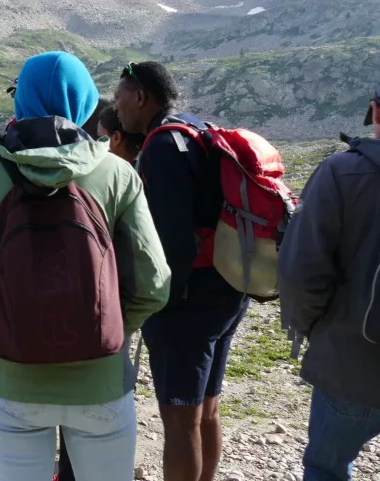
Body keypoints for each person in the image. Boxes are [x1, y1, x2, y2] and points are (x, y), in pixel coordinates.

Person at [0, 51, 170, 481]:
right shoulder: (118, 174)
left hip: (13, 375)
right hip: (101, 379)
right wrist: (110, 330)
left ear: (21, 99)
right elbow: (153, 283)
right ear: (84, 103)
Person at [114, 61, 248, 481]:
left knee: (179, 421)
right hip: (228, 286)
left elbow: (170, 240)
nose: (116, 109)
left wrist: (158, 304)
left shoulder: (161, 145)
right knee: (206, 410)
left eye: (119, 99)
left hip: (188, 303)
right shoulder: (196, 128)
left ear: (140, 97)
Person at [280, 70, 380, 481]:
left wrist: (312, 333)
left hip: (351, 361)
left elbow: (302, 274)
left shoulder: (341, 171)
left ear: (375, 112)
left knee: (327, 467)